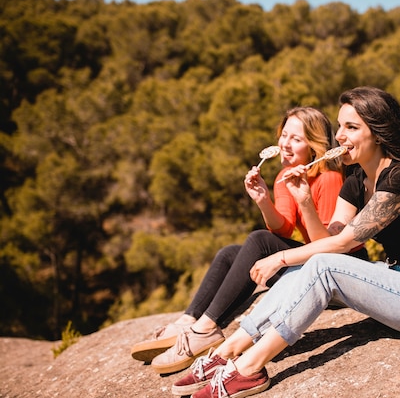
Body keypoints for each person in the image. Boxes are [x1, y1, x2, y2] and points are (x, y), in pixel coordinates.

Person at [170, 86, 400, 398]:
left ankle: (249, 368)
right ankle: (229, 349)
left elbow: (342, 244)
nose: (339, 135)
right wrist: (304, 201)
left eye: (352, 127)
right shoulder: (355, 181)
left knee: (320, 264)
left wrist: (281, 258)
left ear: (379, 133)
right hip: (399, 279)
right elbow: (326, 240)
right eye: (340, 126)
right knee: (311, 264)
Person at [130, 107, 368, 375]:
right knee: (230, 253)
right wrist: (264, 200)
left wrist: (305, 202)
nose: (286, 144)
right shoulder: (284, 176)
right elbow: (284, 231)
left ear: (314, 146)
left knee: (257, 240)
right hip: (314, 258)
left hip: (340, 269)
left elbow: (328, 247)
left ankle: (206, 330)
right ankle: (189, 322)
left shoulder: (329, 177)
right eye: (284, 135)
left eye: (297, 139)